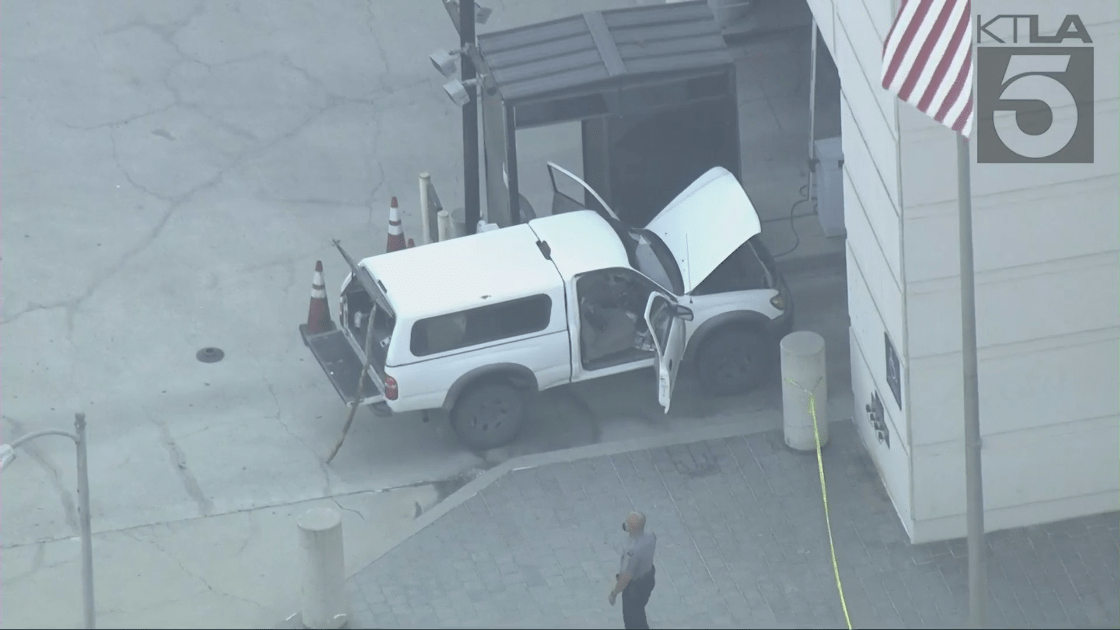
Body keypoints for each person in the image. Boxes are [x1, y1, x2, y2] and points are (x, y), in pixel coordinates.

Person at [609, 511, 657, 629]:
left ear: (633, 528)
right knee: (640, 610)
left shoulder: (633, 550)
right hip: (648, 578)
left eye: (628, 524)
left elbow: (626, 578)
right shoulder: (651, 535)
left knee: (632, 620)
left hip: (635, 588)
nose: (625, 525)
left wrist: (614, 594)